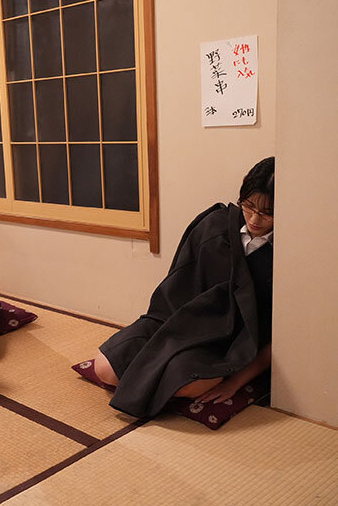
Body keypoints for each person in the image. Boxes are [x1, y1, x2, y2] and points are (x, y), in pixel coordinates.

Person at [93, 157, 275, 418]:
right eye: (248, 206)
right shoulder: (214, 224)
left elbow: (277, 334)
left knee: (185, 386)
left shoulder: (286, 253)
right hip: (176, 321)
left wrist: (235, 382)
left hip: (227, 341)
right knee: (105, 369)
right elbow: (177, 284)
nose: (255, 219)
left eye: (267, 213)